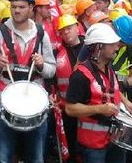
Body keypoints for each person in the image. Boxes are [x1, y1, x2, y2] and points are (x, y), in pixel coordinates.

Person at [0, 0, 56, 163]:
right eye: (14, 6)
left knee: (36, 158)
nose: (16, 10)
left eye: (21, 7)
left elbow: (52, 69)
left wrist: (42, 65)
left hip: (35, 105)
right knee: (3, 158)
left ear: (31, 8)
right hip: (4, 103)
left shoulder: (41, 33)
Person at [65, 23, 132, 163]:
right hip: (93, 145)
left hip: (114, 140)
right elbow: (70, 108)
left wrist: (125, 101)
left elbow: (111, 90)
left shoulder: (109, 69)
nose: (117, 48)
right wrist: (99, 109)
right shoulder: (80, 75)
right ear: (99, 47)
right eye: (112, 44)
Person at [53, 14, 85, 162]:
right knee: (71, 143)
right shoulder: (56, 52)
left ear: (77, 28)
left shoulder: (89, 48)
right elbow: (51, 79)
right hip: (66, 107)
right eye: (63, 30)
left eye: (69, 28)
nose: (66, 32)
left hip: (88, 105)